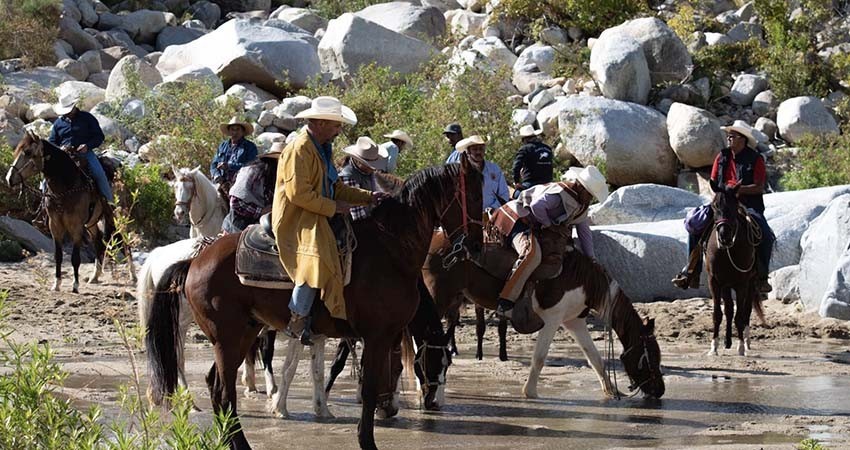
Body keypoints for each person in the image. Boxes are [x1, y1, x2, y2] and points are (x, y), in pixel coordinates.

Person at [272, 97, 387, 345]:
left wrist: (368, 198)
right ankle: (298, 317)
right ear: (322, 123)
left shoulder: (322, 148)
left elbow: (334, 187)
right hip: (297, 217)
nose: (339, 130)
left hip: (317, 210)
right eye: (336, 125)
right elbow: (298, 194)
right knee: (315, 253)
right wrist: (334, 208)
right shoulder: (299, 148)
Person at [672, 120, 775, 293]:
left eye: (732, 136)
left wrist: (738, 190)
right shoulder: (722, 157)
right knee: (695, 225)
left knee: (765, 234)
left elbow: (758, 186)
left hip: (748, 204)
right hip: (723, 202)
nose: (729, 139)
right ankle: (691, 271)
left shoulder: (755, 159)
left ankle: (762, 276)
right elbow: (714, 182)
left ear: (742, 139)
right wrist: (723, 195)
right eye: (728, 136)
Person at [493, 166, 608, 318]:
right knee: (531, 254)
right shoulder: (559, 193)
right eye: (589, 194)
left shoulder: (581, 205)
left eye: (592, 196)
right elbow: (537, 207)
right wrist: (551, 226)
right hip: (520, 218)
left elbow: (584, 231)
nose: (590, 198)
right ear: (580, 187)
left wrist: (591, 258)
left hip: (538, 226)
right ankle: (506, 300)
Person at [48, 92, 112, 206]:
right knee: (46, 180)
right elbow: (51, 143)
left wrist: (87, 146)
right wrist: (60, 149)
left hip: (85, 154)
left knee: (99, 174)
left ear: (74, 106)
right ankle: (43, 210)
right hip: (64, 156)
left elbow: (99, 136)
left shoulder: (87, 118)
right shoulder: (58, 124)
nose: (67, 113)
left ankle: (110, 205)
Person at [221, 142, 282, 234]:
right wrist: (261, 211)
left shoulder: (278, 176)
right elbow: (235, 201)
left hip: (263, 224)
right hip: (238, 225)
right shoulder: (251, 172)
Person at [339, 136, 389, 221]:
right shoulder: (349, 177)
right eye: (369, 165)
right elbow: (358, 217)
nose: (373, 168)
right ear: (359, 161)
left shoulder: (368, 172)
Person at [455, 135, 509, 211]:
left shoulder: (494, 169)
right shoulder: (460, 170)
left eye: (481, 149)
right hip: (468, 216)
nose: (478, 152)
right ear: (468, 151)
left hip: (493, 215)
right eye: (475, 149)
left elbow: (504, 194)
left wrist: (493, 208)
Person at [210, 117, 258, 197]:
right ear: (229, 131)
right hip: (221, 182)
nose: (235, 132)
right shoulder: (223, 145)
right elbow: (214, 164)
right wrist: (217, 175)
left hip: (241, 183)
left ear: (242, 132)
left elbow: (251, 167)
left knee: (234, 204)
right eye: (232, 129)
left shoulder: (250, 147)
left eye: (238, 129)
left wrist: (229, 166)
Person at [512, 125, 553, 199]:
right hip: (548, 182)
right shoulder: (548, 148)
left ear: (525, 139)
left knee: (516, 196)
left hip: (531, 183)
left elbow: (516, 167)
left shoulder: (525, 149)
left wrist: (516, 182)